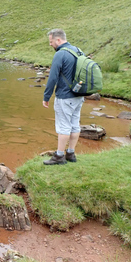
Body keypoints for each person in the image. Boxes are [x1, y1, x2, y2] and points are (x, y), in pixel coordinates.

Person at [42, 29, 84, 165]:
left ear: (58, 40)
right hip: (79, 95)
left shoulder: (60, 54)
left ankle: (59, 156)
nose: (50, 44)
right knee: (75, 124)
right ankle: (71, 154)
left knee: (63, 126)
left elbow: (53, 77)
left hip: (65, 97)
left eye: (51, 41)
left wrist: (46, 96)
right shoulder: (78, 50)